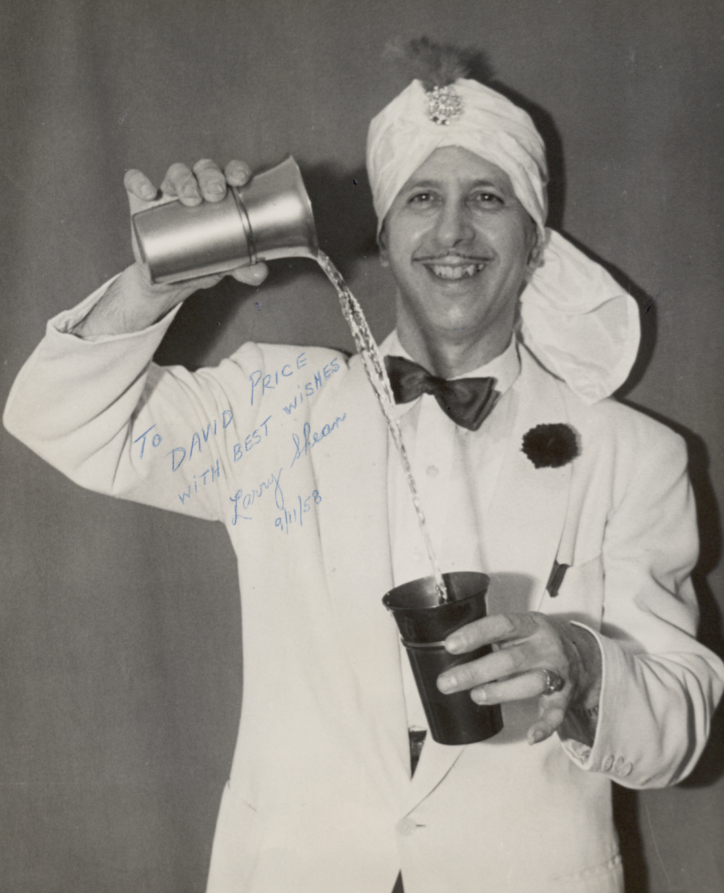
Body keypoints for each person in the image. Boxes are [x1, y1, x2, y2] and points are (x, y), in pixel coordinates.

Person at [5, 55, 724, 893]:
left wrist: (587, 664)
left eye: (487, 199)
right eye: (422, 198)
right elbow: (52, 413)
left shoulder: (634, 455)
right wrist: (156, 282)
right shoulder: (275, 404)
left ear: (534, 244)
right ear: (383, 238)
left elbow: (681, 725)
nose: (452, 231)